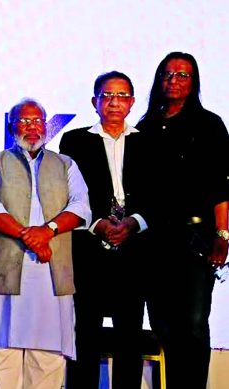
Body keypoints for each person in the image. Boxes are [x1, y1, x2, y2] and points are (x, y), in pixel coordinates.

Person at [0, 99, 90, 389]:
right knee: (2, 357)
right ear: (12, 125)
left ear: (46, 126)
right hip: (4, 275)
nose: (31, 127)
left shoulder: (66, 165)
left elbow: (82, 207)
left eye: (37, 121)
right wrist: (31, 236)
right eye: (24, 121)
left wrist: (47, 231)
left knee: (48, 358)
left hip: (51, 275)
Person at [135, 52, 229, 388]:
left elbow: (221, 185)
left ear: (194, 82)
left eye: (183, 75)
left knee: (192, 323)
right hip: (152, 240)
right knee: (162, 325)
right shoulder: (143, 128)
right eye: (168, 74)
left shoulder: (209, 125)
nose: (174, 81)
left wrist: (223, 234)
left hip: (195, 238)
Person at [61, 71, 158, 388]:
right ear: (95, 101)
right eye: (107, 95)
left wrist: (135, 222)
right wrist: (97, 223)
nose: (114, 102)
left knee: (128, 335)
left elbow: (160, 195)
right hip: (89, 251)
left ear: (131, 102)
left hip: (135, 251)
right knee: (84, 333)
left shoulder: (148, 141)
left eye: (121, 96)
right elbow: (68, 193)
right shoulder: (75, 140)